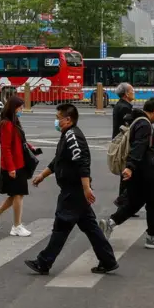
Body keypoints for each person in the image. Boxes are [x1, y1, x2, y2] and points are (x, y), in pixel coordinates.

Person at [24, 103, 117, 276]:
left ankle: (44, 262)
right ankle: (108, 261)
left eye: (58, 118)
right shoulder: (67, 135)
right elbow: (58, 161)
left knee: (61, 226)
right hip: (74, 191)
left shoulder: (73, 136)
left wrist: (86, 188)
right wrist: (42, 175)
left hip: (73, 191)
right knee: (90, 227)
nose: (56, 121)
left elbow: (82, 163)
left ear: (68, 119)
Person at [101, 97, 154, 249]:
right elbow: (138, 146)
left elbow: (140, 143)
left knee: (134, 203)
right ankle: (152, 237)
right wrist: (130, 167)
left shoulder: (138, 121)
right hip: (146, 172)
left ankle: (109, 223)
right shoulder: (144, 124)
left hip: (139, 172)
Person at [0, 95, 32, 237]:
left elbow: (19, 141)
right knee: (18, 194)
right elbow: (5, 148)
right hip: (13, 165)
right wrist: (11, 167)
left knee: (16, 194)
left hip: (19, 162)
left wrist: (31, 148)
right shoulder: (6, 124)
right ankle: (16, 226)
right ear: (13, 108)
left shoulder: (14, 122)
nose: (21, 110)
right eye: (19, 107)